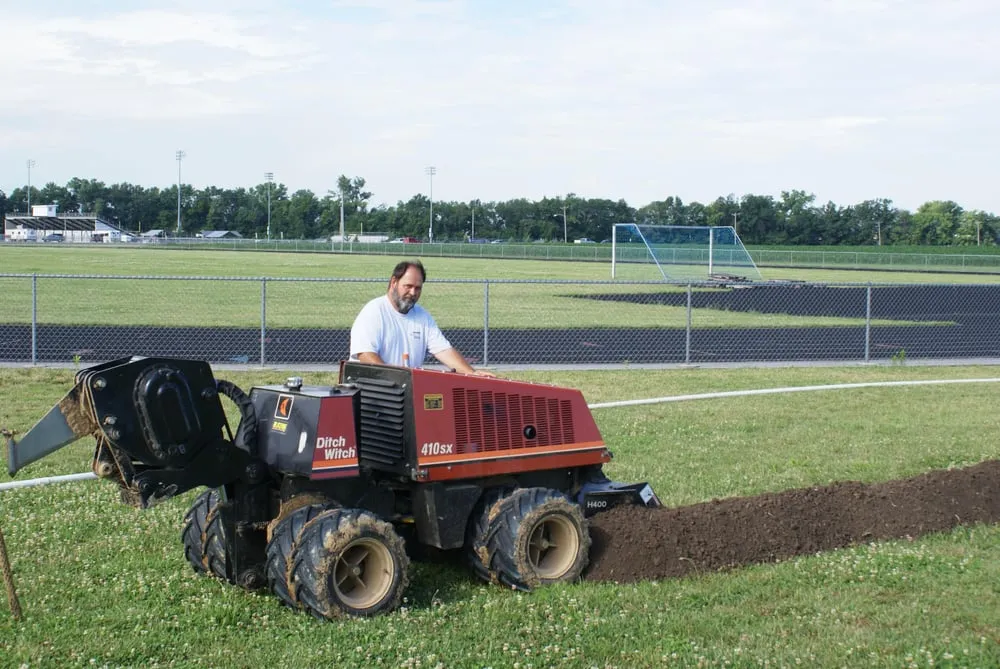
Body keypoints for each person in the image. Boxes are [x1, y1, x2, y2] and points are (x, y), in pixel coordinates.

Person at [350, 260, 495, 376]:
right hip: (373, 393)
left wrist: (471, 373)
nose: (413, 292)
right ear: (394, 282)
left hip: (404, 390)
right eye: (408, 286)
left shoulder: (422, 316)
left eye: (418, 288)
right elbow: (366, 355)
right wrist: (394, 379)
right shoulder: (374, 312)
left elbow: (443, 350)